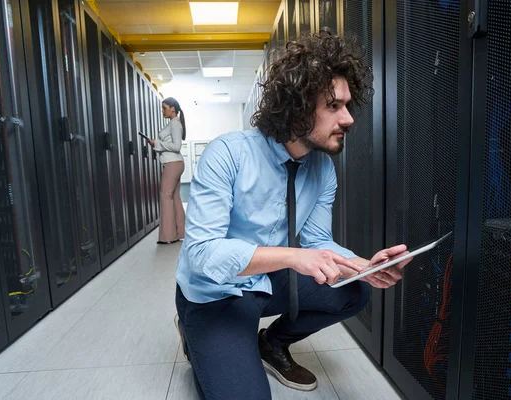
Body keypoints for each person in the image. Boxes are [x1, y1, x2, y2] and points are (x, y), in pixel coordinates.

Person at [174, 29, 412, 400]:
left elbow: (316, 241)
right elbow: (201, 254)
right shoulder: (228, 154)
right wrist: (293, 257)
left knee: (353, 291)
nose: (348, 118)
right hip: (216, 291)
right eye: (333, 106)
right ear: (298, 108)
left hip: (269, 281)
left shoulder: (322, 169)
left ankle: (271, 343)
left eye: (348, 105)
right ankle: (194, 332)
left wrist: (365, 267)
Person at [149, 97, 186, 244]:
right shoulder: (173, 123)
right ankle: (178, 233)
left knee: (165, 196)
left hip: (172, 163)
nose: (162, 111)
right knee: (174, 197)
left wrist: (156, 143)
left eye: (164, 108)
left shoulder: (175, 124)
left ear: (172, 108)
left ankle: (167, 237)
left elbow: (177, 147)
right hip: (175, 163)